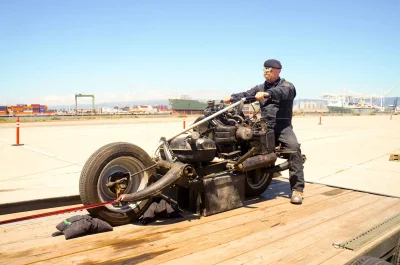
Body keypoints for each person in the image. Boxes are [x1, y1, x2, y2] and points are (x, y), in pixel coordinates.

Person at [224, 59, 305, 204]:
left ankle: (297, 189)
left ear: (278, 71)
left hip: (282, 127)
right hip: (264, 126)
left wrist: (267, 94)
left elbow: (281, 92)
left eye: (270, 69)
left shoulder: (287, 86)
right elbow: (246, 95)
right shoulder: (260, 87)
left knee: (294, 149)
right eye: (265, 68)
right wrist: (231, 98)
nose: (266, 71)